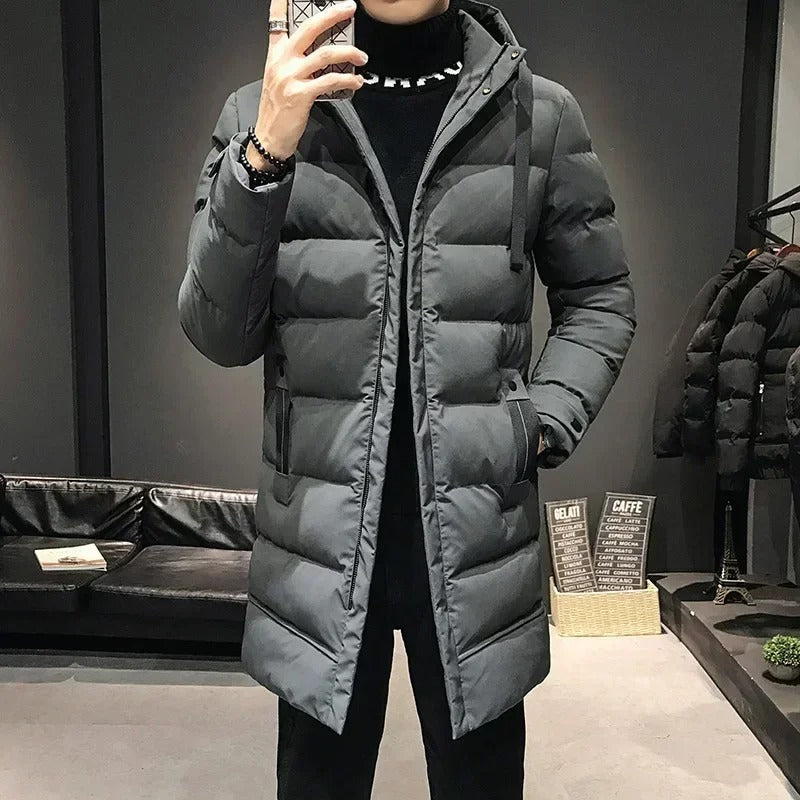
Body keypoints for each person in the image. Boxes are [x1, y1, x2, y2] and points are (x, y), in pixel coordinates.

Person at [177, 0, 636, 796]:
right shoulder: (262, 111)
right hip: (320, 541)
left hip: (477, 535)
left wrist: (539, 422)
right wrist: (266, 153)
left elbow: (601, 297)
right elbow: (218, 331)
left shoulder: (537, 113)